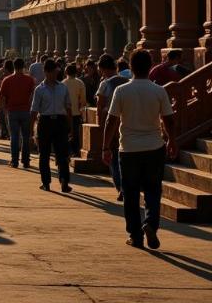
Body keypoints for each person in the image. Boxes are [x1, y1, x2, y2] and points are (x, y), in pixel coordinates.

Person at [103, 49, 176, 249]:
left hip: (129, 149)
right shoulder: (158, 90)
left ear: (131, 67)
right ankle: (150, 224)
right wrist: (172, 141)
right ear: (150, 67)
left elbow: (111, 120)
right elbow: (168, 119)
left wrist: (105, 147)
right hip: (154, 146)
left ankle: (136, 235)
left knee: (131, 193)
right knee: (153, 190)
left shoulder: (122, 91)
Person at [31, 59, 73, 193]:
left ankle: (64, 181)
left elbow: (68, 108)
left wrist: (70, 125)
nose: (55, 75)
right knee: (44, 154)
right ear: (46, 72)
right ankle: (46, 182)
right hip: (45, 121)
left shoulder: (63, 87)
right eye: (53, 72)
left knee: (62, 154)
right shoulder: (39, 89)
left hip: (60, 121)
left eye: (56, 72)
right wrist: (32, 130)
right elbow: (34, 110)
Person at [95, 54, 128, 201]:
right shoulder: (127, 81)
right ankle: (126, 187)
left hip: (112, 124)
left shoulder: (105, 84)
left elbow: (100, 105)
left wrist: (100, 125)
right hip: (126, 124)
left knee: (113, 158)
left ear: (103, 69)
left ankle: (120, 187)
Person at [0, 58, 35, 168]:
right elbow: (32, 96)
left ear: (13, 66)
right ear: (23, 66)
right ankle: (25, 160)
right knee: (26, 136)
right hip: (25, 111)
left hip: (12, 111)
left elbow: (1, 96)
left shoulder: (7, 80)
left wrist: (3, 109)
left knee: (14, 136)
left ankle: (14, 160)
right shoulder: (29, 80)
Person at [62, 63, 87, 157]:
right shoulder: (80, 83)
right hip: (76, 113)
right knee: (75, 134)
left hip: (64, 113)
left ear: (66, 72)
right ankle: (75, 152)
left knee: (65, 133)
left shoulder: (62, 83)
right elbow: (83, 100)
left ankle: (66, 153)